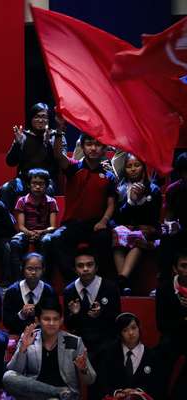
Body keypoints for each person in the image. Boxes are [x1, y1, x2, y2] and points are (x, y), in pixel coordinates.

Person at [50, 132, 116, 281]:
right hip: (72, 224)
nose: (93, 148)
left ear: (105, 149)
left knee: (105, 237)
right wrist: (59, 131)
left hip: (95, 224)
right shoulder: (73, 167)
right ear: (83, 147)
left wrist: (104, 221)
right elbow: (58, 155)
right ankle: (74, 280)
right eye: (89, 144)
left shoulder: (109, 176)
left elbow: (111, 204)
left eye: (98, 145)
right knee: (55, 239)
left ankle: (102, 282)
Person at [3, 298, 96, 400]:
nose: (52, 323)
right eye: (47, 319)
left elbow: (90, 380)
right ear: (37, 320)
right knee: (8, 376)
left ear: (61, 320)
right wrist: (23, 349)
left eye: (55, 319)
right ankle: (58, 393)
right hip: (37, 396)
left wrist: (83, 369)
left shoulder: (74, 342)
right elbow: (15, 372)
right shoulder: (29, 337)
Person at [0, 103, 65, 210]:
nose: (40, 120)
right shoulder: (23, 136)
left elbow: (61, 162)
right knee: (6, 189)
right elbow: (10, 162)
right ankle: (6, 224)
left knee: (48, 190)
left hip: (47, 182)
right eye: (37, 117)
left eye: (44, 117)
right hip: (25, 181)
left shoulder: (55, 136)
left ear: (48, 119)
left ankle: (44, 225)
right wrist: (17, 144)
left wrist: (48, 144)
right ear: (31, 119)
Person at [113, 154, 162, 294]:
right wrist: (131, 202)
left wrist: (140, 201)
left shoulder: (153, 189)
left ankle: (122, 281)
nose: (133, 169)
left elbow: (153, 218)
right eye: (129, 166)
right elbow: (118, 217)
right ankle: (124, 283)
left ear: (143, 167)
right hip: (125, 229)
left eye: (136, 165)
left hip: (147, 230)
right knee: (117, 235)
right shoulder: (121, 189)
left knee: (138, 236)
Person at [62, 247, 120, 364]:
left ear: (96, 267)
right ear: (75, 269)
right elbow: (68, 325)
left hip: (105, 338)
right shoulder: (69, 291)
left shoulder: (110, 287)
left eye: (89, 265)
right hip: (80, 339)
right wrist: (74, 314)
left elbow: (116, 319)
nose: (85, 269)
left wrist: (100, 314)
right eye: (80, 265)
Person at [97, 313, 162, 399]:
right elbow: (103, 381)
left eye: (134, 328)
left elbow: (157, 385)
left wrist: (137, 392)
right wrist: (116, 392)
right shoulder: (110, 354)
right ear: (120, 334)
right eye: (125, 330)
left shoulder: (151, 355)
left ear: (139, 329)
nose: (131, 333)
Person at [9, 168, 58, 275]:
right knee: (14, 243)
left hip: (44, 233)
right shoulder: (22, 201)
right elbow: (21, 226)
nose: (37, 186)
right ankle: (18, 277)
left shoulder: (51, 201)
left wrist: (40, 232)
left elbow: (53, 227)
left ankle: (45, 278)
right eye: (34, 183)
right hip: (26, 232)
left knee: (47, 241)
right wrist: (30, 233)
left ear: (46, 185)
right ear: (28, 185)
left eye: (41, 184)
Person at [155, 247, 187, 399]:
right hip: (173, 336)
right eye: (184, 266)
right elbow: (161, 324)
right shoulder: (165, 289)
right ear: (175, 269)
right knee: (164, 350)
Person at [3, 252, 57, 335]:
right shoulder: (12, 291)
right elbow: (6, 323)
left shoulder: (49, 291)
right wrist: (21, 315)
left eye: (38, 269)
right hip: (17, 335)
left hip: (43, 336)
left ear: (43, 270)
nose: (33, 272)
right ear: (23, 269)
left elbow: (55, 319)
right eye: (29, 269)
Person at [159, 152, 187, 281]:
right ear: (181, 173)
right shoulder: (173, 190)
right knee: (166, 237)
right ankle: (164, 281)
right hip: (182, 230)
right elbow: (169, 217)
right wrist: (171, 225)